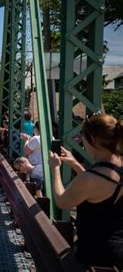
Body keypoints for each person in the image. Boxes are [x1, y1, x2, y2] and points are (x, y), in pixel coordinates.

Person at [49, 113, 122, 269]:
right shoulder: (115, 169)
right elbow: (100, 189)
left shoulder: (90, 179)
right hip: (118, 254)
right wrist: (75, 164)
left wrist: (55, 169)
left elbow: (62, 201)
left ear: (92, 140)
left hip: (96, 257)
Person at [20, 121, 44, 197]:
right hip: (47, 168)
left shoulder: (36, 138)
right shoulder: (51, 137)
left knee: (37, 189)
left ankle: (40, 206)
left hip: (36, 168)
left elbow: (26, 150)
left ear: (37, 128)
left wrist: (27, 140)